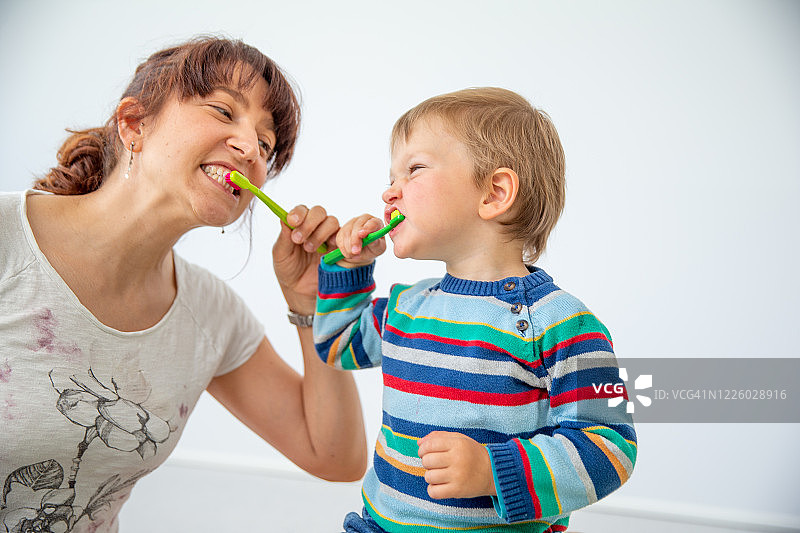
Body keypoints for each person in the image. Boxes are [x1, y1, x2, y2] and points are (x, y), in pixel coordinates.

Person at [0, 37, 367, 533]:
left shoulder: (211, 315)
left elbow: (336, 456)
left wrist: (315, 303)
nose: (249, 149)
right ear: (134, 124)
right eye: (223, 111)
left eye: (266, 144)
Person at [313, 87, 637, 532]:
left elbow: (610, 447)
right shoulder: (406, 307)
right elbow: (337, 344)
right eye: (391, 177)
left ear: (495, 193)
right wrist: (350, 267)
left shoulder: (563, 324)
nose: (389, 192)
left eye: (414, 170)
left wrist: (492, 469)